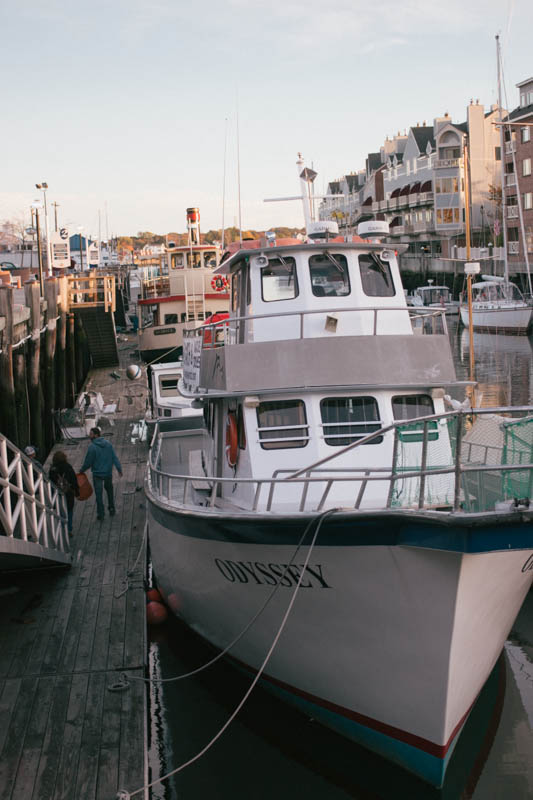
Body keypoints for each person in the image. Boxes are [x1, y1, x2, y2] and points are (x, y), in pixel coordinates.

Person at [79, 427, 123, 521]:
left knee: (99, 495)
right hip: (107, 473)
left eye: (91, 434)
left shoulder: (92, 447)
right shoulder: (108, 444)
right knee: (110, 491)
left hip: (97, 474)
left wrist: (82, 470)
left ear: (96, 435)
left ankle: (101, 514)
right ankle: (111, 508)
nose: (89, 436)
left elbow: (88, 462)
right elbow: (114, 457)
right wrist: (119, 469)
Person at [49, 450, 79, 536]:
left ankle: (63, 529)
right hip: (68, 492)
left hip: (58, 493)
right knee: (69, 510)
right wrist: (76, 491)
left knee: (61, 512)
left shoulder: (52, 469)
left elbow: (50, 482)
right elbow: (74, 479)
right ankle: (69, 529)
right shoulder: (68, 467)